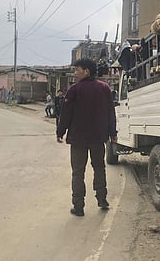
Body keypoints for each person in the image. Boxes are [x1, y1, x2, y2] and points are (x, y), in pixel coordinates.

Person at [57, 58, 117, 217]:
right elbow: (110, 112)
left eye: (77, 69)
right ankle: (102, 200)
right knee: (99, 168)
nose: (75, 73)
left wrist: (60, 132)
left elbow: (66, 114)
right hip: (98, 137)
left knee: (78, 172)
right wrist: (113, 133)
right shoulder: (104, 88)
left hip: (78, 139)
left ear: (86, 71)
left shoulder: (74, 90)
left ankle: (78, 207)